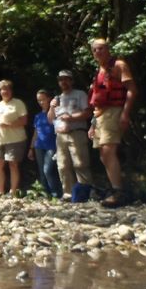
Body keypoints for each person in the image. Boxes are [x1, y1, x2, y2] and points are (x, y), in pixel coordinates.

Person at [88, 38, 138, 208]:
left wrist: (125, 114)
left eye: (101, 48)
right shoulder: (99, 71)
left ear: (108, 49)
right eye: (95, 50)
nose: (98, 52)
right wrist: (93, 124)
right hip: (100, 116)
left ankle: (118, 192)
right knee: (103, 154)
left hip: (114, 111)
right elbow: (97, 101)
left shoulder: (119, 65)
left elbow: (132, 90)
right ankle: (114, 188)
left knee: (109, 150)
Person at [48, 69, 93, 201]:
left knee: (80, 164)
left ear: (72, 81)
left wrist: (71, 118)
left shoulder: (80, 94)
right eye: (61, 80)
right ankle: (68, 194)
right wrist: (51, 107)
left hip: (77, 132)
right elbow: (50, 120)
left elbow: (88, 113)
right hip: (60, 136)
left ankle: (85, 194)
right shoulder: (57, 98)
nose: (64, 82)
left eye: (67, 79)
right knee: (62, 165)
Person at [0, 79, 27, 196]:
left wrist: (9, 125)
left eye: (7, 89)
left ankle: (13, 191)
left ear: (11, 90)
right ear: (0, 91)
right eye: (3, 89)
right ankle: (0, 191)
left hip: (15, 139)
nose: (5, 91)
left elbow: (24, 121)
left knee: (13, 164)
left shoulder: (18, 103)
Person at [27, 89, 63, 198]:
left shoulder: (56, 113)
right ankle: (45, 193)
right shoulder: (38, 116)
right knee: (42, 172)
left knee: (48, 170)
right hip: (39, 146)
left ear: (49, 99)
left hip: (52, 146)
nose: (41, 102)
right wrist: (31, 148)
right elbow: (35, 133)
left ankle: (56, 193)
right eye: (39, 100)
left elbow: (59, 129)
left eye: (43, 99)